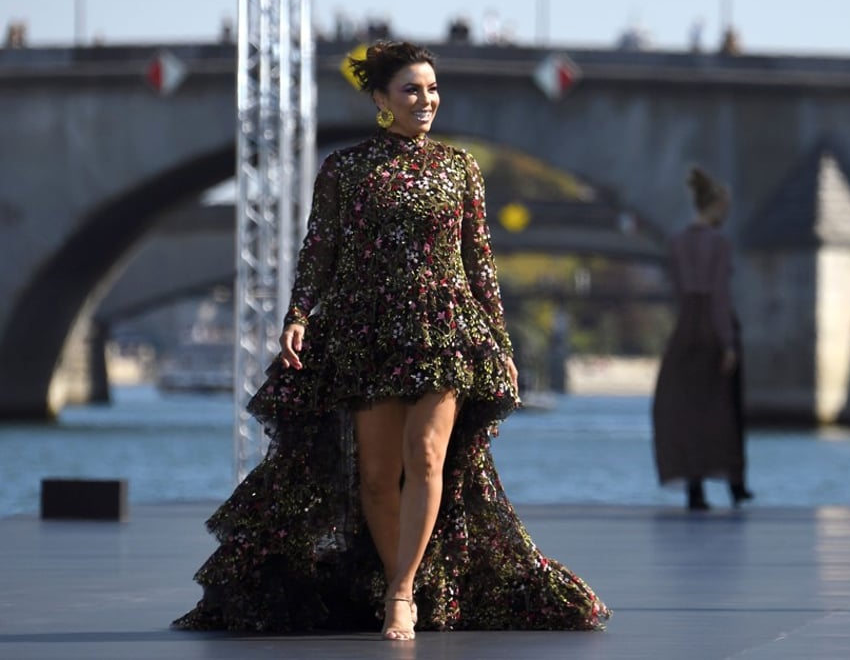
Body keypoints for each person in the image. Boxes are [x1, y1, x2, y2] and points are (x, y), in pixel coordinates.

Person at [171, 41, 610, 639]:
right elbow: (319, 248)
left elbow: (478, 260)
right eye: (411, 89)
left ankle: (401, 593)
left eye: (432, 88)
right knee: (377, 474)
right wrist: (299, 313)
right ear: (381, 99)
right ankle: (393, 579)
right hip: (366, 329)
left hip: (445, 327)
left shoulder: (461, 168)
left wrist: (501, 345)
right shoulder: (346, 170)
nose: (425, 99)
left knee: (426, 456)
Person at [652, 167, 753, 511]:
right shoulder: (720, 244)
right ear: (718, 204)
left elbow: (678, 291)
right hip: (712, 327)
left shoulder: (677, 243)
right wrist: (727, 342)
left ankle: (694, 487)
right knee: (721, 409)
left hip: (686, 329)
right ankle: (735, 483)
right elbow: (720, 296)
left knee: (685, 409)